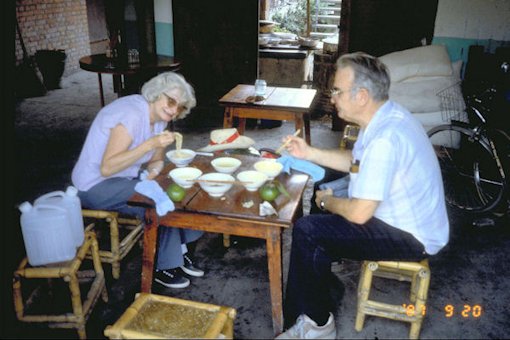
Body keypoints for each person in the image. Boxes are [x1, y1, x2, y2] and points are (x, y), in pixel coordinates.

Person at [276, 52, 449, 339]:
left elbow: (359, 213)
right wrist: (309, 152)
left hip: (411, 236)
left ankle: (317, 324)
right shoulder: (385, 117)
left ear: (362, 96)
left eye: (338, 91)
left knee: (308, 230)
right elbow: (353, 162)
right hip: (401, 218)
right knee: (325, 183)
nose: (332, 98)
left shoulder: (385, 138)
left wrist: (326, 201)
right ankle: (323, 284)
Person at [72, 71, 204, 289]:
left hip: (123, 179)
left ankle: (181, 251)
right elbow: (107, 168)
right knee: (161, 199)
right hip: (94, 185)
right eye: (170, 101)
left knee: (179, 187)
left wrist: (155, 172)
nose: (173, 110)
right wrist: (151, 145)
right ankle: (164, 266)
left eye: (179, 107)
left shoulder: (160, 118)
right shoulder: (131, 115)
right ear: (156, 94)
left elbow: (156, 160)